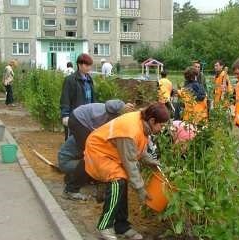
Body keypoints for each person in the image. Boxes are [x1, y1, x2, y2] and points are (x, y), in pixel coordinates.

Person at [82, 103, 169, 240]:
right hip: (98, 152)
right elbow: (130, 163)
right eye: (161, 125)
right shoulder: (130, 130)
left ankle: (121, 226)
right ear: (152, 121)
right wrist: (140, 189)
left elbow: (137, 149)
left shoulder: (142, 123)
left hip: (112, 153)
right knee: (118, 180)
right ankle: (105, 225)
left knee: (121, 181)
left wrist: (150, 161)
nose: (162, 128)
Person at [61, 100, 134, 200]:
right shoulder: (105, 116)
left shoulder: (116, 110)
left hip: (82, 120)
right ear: (114, 114)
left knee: (95, 155)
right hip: (78, 120)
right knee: (90, 156)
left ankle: (81, 179)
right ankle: (71, 189)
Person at [60, 53, 95, 140]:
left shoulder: (89, 80)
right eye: (86, 65)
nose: (89, 67)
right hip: (74, 116)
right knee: (72, 141)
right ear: (79, 65)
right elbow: (65, 98)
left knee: (84, 141)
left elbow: (92, 99)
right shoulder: (70, 80)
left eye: (90, 65)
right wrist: (65, 115)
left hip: (86, 116)